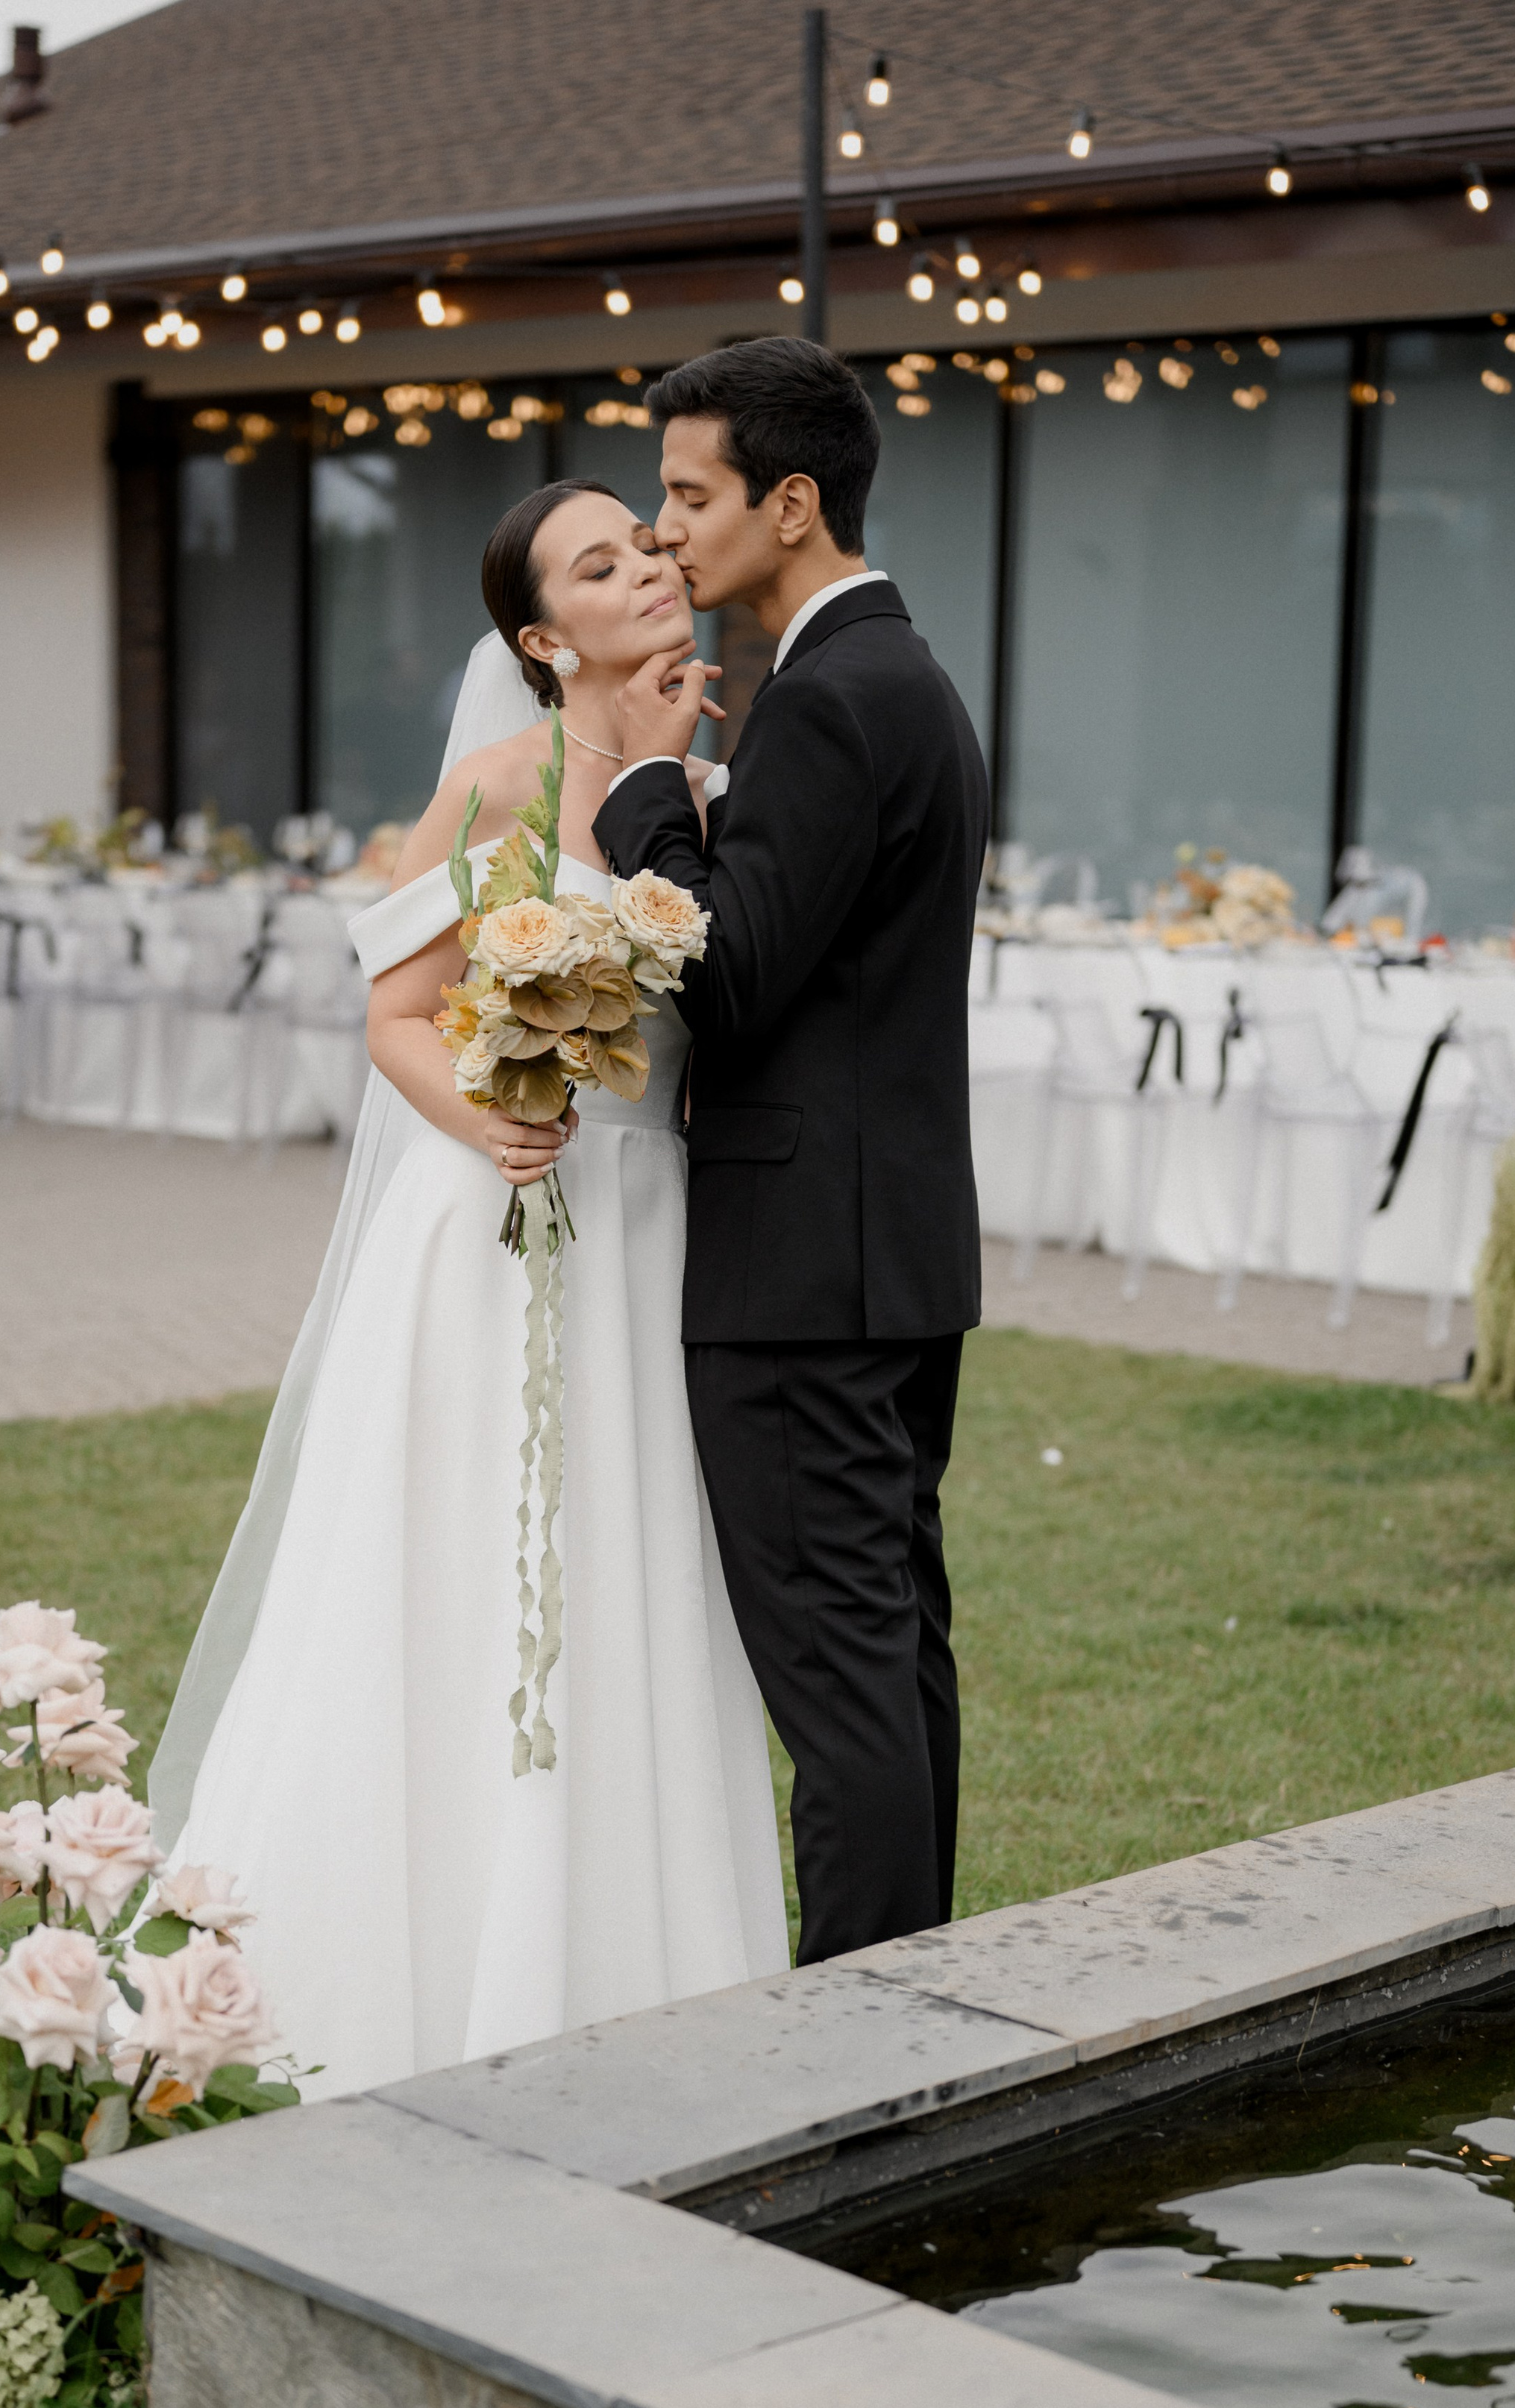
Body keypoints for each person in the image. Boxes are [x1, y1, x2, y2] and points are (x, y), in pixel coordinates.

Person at [149, 479, 787, 2096]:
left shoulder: (721, 793)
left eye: (645, 546)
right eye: (600, 565)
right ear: (539, 640)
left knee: (627, 1576)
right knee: (452, 1576)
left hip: (650, 1235)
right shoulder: (494, 791)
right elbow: (393, 1014)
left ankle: (623, 1966)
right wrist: (490, 1117)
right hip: (490, 1224)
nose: (647, 571)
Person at [593, 336, 988, 1965]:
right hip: (886, 1249)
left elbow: (733, 970)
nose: (665, 530)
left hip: (802, 1273)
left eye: (690, 496)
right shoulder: (900, 679)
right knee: (887, 1661)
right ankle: (914, 1996)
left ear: (792, 501)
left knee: (840, 1683)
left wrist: (643, 793)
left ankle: (859, 2042)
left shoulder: (830, 699)